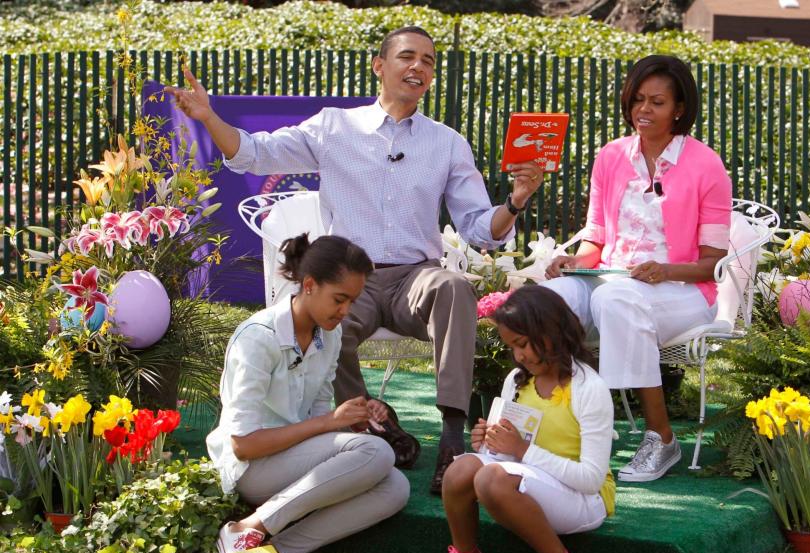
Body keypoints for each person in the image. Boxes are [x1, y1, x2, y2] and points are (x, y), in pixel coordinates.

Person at [165, 26, 545, 493]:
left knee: (454, 287)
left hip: (415, 278)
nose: (418, 67)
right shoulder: (333, 127)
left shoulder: (447, 143)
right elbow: (256, 154)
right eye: (407, 57)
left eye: (427, 60)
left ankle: (451, 436)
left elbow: (477, 229)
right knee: (330, 319)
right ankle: (372, 423)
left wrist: (517, 201)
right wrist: (207, 117)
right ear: (379, 66)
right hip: (352, 277)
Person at [542, 55, 732, 483]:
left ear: (679, 108)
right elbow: (597, 239)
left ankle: (661, 437)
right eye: (638, 100)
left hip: (683, 292)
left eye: (657, 102)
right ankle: (564, 420)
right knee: (549, 301)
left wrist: (664, 270)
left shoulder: (706, 165)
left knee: (615, 297)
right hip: (612, 280)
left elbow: (711, 263)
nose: (643, 110)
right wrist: (574, 262)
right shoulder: (611, 157)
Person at [205, 234, 409, 553]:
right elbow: (242, 444)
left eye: (352, 301)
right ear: (310, 285)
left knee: (396, 487)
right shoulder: (258, 338)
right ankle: (246, 527)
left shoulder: (330, 334)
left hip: (292, 460)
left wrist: (355, 422)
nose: (345, 311)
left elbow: (318, 419)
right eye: (339, 299)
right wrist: (331, 422)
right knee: (376, 453)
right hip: (250, 468)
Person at [402, 286, 614, 553]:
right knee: (459, 469)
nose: (519, 356)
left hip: (585, 500)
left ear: (552, 331)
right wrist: (488, 443)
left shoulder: (589, 388)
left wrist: (521, 450)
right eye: (512, 347)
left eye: (523, 344)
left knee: (490, 478)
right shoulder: (516, 380)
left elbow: (591, 479)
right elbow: (507, 457)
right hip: (531, 479)